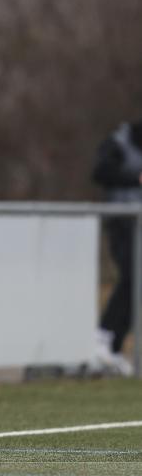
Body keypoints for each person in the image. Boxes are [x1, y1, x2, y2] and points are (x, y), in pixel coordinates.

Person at [92, 119, 142, 375]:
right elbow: (100, 172)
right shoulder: (119, 142)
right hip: (122, 222)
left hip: (139, 223)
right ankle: (103, 336)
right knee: (131, 276)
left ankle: (114, 346)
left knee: (137, 283)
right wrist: (136, 178)